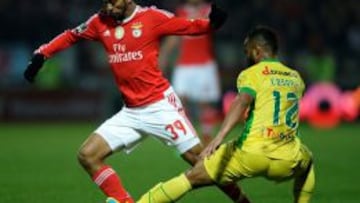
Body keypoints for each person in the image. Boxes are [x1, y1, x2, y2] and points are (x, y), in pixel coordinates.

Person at [23, 1, 247, 203]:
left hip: (161, 107)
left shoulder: (152, 18)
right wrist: (42, 54)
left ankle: (242, 201)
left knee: (204, 162)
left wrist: (212, 24)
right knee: (87, 155)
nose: (108, 7)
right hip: (130, 112)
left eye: (113, 2)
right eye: (106, 2)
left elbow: (188, 26)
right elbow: (72, 35)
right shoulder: (99, 21)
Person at [137, 26, 315, 203]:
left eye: (248, 52)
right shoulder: (295, 77)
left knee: (191, 177)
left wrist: (219, 137)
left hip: (251, 153)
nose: (247, 57)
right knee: (307, 162)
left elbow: (241, 101)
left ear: (257, 51)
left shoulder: (252, 73)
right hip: (287, 159)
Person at [160, 0, 221, 144]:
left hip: (204, 64)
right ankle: (187, 140)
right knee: (179, 103)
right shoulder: (181, 12)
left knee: (204, 104)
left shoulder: (209, 10)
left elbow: (215, 26)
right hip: (184, 65)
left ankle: (207, 139)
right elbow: (175, 36)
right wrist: (164, 55)